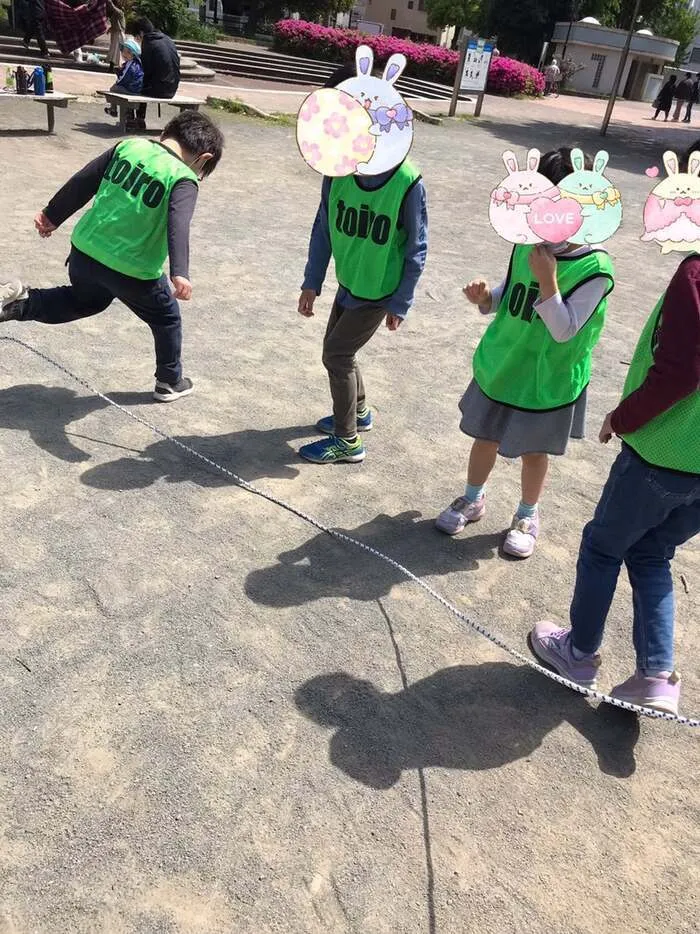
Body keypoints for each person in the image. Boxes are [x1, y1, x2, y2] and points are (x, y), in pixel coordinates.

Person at [529, 140, 700, 717]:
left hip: (664, 453)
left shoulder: (695, 276)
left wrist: (621, 417)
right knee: (652, 553)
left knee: (604, 546)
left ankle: (578, 652)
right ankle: (656, 675)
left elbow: (679, 371)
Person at [436, 148, 616, 559]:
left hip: (545, 379)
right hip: (503, 365)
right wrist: (487, 297)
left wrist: (549, 281)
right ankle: (472, 498)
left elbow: (564, 328)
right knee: (485, 437)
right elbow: (511, 292)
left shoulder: (596, 269)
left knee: (534, 453)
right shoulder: (526, 243)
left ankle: (526, 514)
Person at [0, 111, 224, 403]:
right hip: (132, 270)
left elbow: (84, 180)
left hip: (85, 253)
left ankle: (19, 305)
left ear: (166, 133)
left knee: (85, 301)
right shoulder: (184, 178)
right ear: (203, 158)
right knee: (166, 317)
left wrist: (52, 214)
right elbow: (178, 222)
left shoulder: (128, 146)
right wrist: (180, 271)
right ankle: (169, 381)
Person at [296, 68, 428, 465]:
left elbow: (417, 247)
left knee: (336, 356)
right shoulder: (336, 170)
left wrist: (400, 301)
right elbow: (323, 225)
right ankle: (360, 411)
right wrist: (312, 281)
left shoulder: (407, 181)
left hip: (378, 290)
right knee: (339, 353)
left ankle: (348, 440)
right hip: (349, 281)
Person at [127, 16, 180, 131]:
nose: (138, 41)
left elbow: (145, 72)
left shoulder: (149, 42)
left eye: (137, 37)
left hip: (160, 89)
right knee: (145, 82)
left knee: (133, 83)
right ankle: (139, 119)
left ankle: (133, 118)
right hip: (173, 88)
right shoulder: (167, 39)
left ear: (141, 33)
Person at [105, 37, 144, 116]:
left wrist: (118, 82)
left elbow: (123, 79)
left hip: (132, 89)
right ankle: (121, 112)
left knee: (113, 88)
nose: (125, 54)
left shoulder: (130, 66)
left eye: (128, 52)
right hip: (137, 88)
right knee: (117, 88)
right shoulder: (136, 64)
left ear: (134, 55)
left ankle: (113, 109)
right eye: (124, 51)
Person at [106, 0, 126, 71]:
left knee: (116, 51)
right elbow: (114, 24)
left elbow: (114, 8)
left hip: (119, 34)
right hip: (115, 34)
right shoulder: (114, 14)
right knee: (114, 51)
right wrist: (110, 29)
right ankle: (113, 67)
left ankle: (115, 67)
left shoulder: (120, 13)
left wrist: (110, 2)